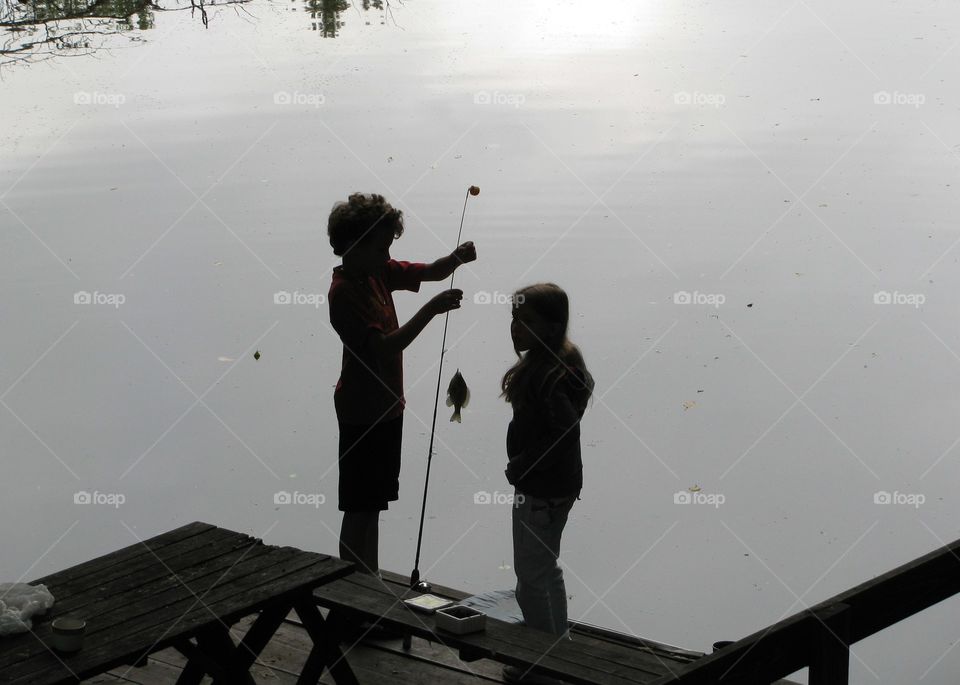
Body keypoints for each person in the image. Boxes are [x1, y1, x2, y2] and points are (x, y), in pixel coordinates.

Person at [327, 192, 476, 576]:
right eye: (381, 247)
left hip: (388, 408)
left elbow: (432, 271)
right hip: (361, 413)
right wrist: (431, 310)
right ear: (355, 245)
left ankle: (369, 582)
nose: (386, 254)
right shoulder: (344, 293)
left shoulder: (376, 271)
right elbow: (382, 348)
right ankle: (352, 592)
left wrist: (456, 258)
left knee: (373, 504)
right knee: (358, 508)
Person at [500, 283, 594, 683]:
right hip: (561, 487)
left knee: (530, 576)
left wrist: (523, 463)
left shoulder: (548, 374)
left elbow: (564, 431)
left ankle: (540, 667)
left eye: (527, 321)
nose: (516, 329)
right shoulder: (563, 363)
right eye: (513, 320)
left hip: (540, 489)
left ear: (552, 327)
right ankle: (558, 645)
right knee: (546, 566)